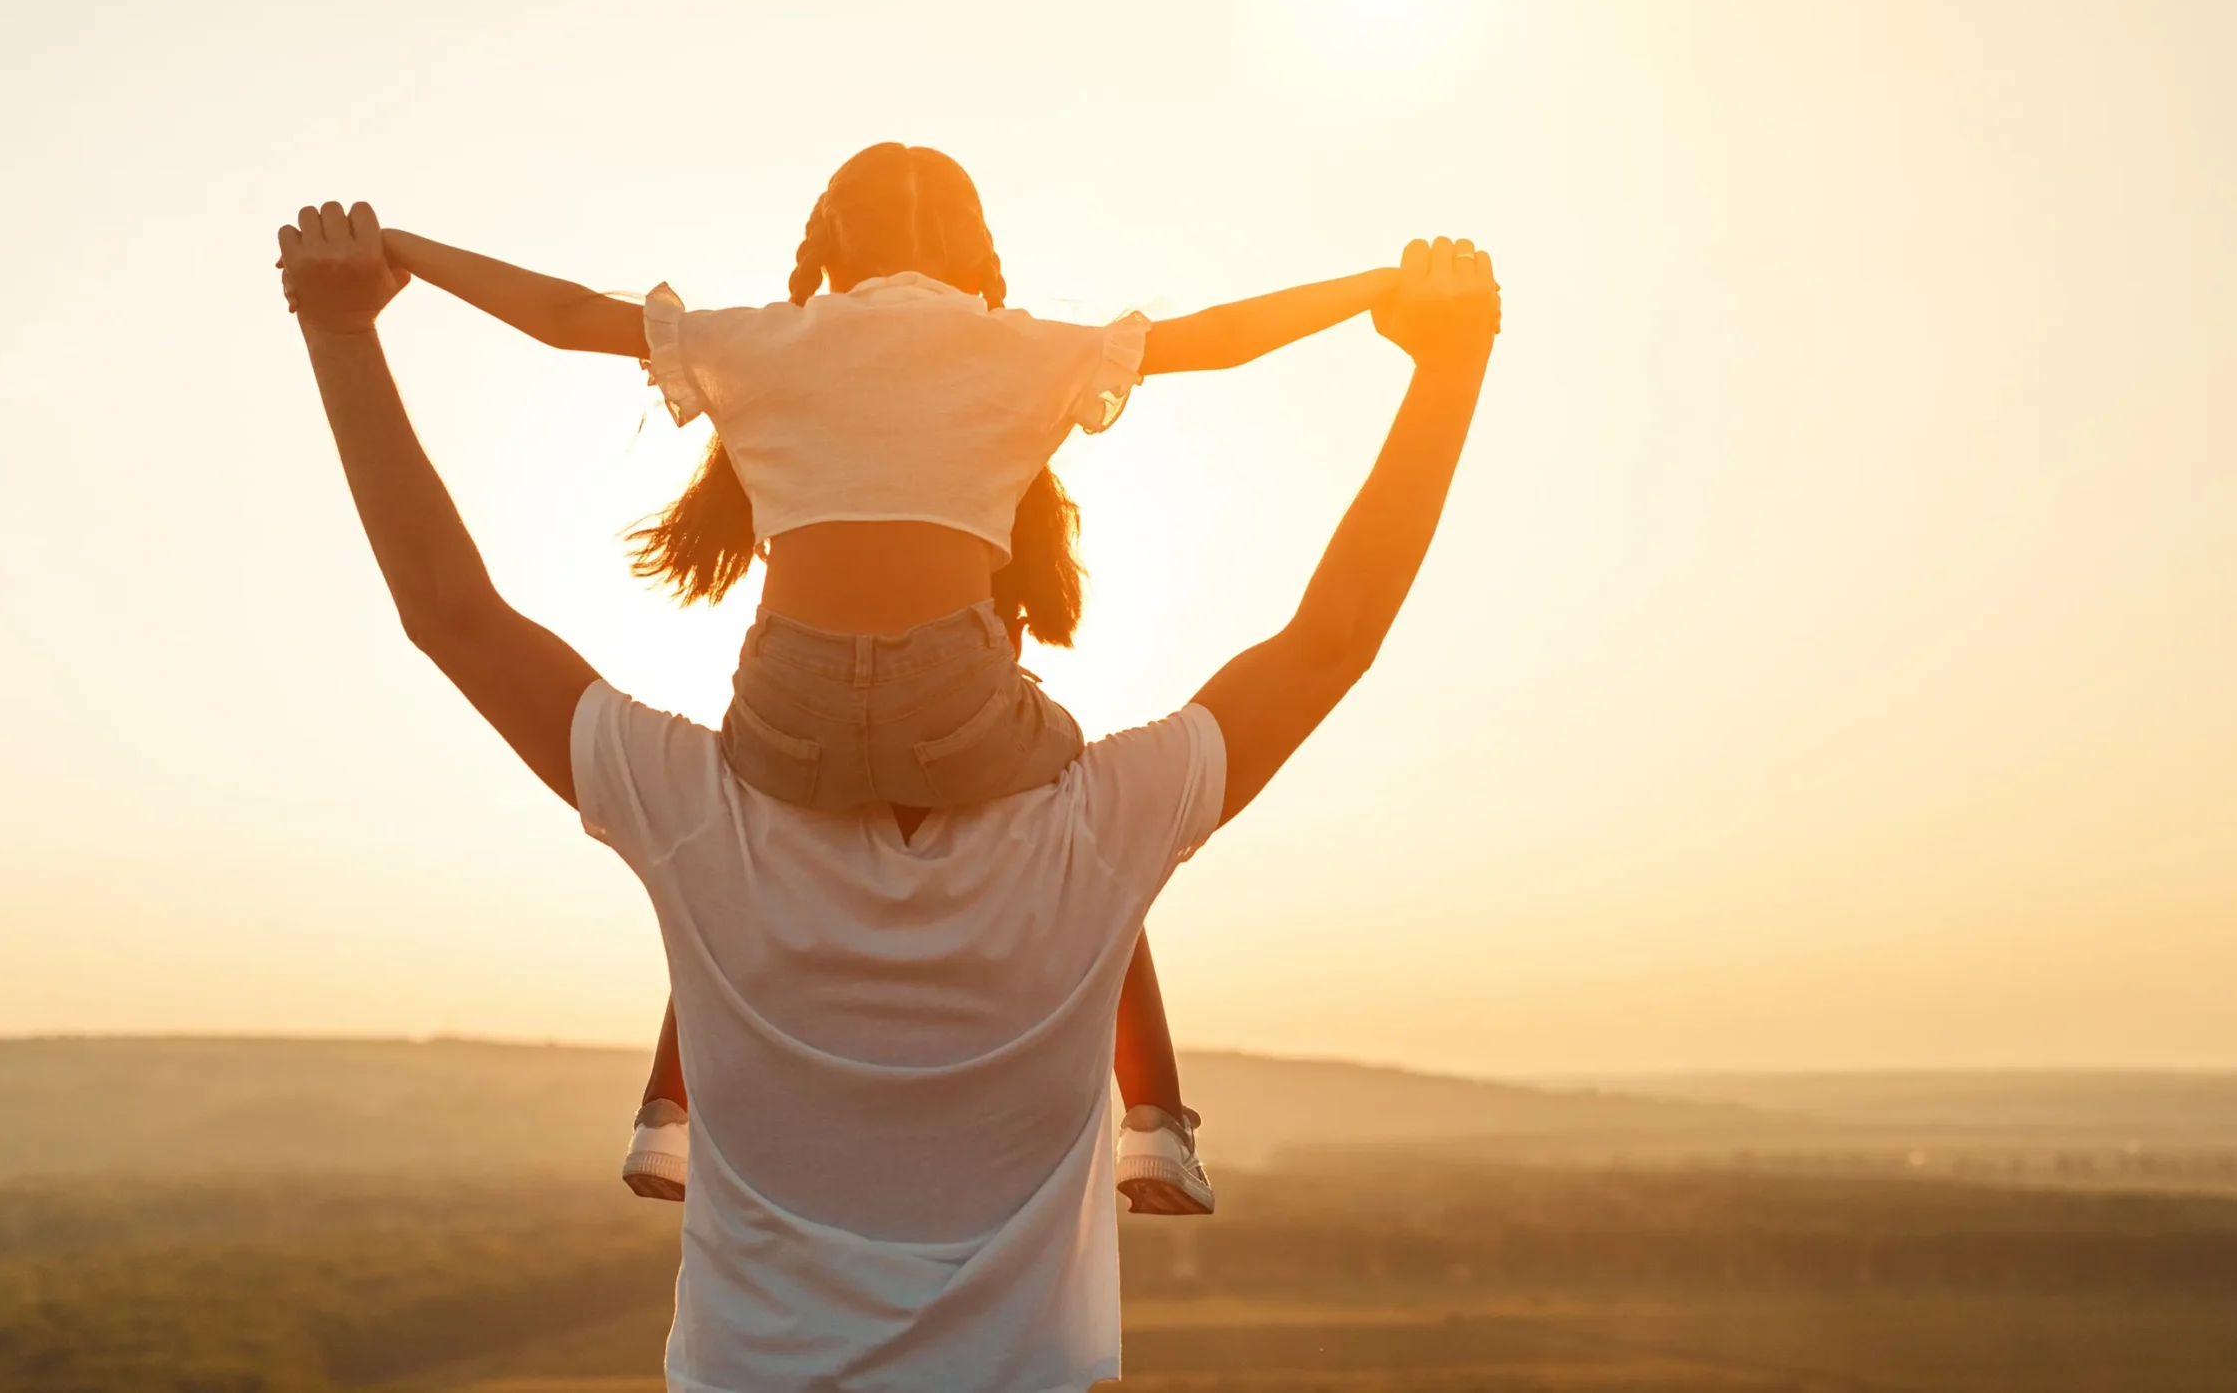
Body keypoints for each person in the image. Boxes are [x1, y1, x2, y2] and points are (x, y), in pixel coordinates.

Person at [278, 196, 1498, 1392]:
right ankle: (1157, 1122)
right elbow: (1332, 634)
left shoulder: (701, 814)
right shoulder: (1097, 829)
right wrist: (1442, 363)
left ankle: (666, 1107)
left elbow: (454, 614)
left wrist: (345, 329)